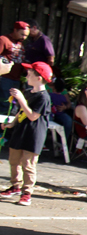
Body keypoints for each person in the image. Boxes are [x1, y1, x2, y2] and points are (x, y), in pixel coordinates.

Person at [0, 62, 52, 206]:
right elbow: (21, 113)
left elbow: (33, 116)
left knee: (28, 164)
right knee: (14, 160)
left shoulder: (43, 97)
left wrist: (22, 99)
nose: (27, 75)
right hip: (20, 131)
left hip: (34, 134)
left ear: (39, 78)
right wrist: (12, 123)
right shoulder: (29, 92)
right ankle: (15, 186)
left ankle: (27, 192)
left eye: (30, 73)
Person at [0, 21, 29, 102]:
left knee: (12, 104)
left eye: (26, 35)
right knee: (4, 102)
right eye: (22, 34)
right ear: (15, 30)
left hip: (17, 79)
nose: (24, 37)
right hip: (5, 78)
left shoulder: (20, 43)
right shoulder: (3, 40)